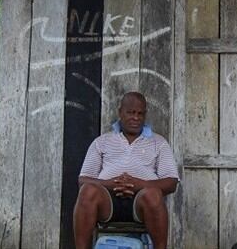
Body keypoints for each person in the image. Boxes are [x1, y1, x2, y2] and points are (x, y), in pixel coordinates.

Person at [73, 92, 179, 249]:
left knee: (153, 193)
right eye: (130, 112)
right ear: (120, 112)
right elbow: (83, 180)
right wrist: (109, 184)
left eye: (140, 113)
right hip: (106, 201)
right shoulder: (102, 142)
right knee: (87, 191)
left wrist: (140, 184)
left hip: (141, 203)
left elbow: (171, 182)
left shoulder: (159, 143)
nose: (136, 118)